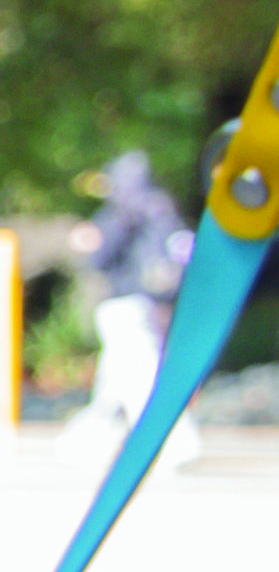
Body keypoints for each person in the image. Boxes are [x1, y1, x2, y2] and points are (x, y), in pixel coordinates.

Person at [83, 148, 198, 464]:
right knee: (121, 378)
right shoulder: (162, 208)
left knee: (139, 375)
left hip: (124, 303)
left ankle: (173, 443)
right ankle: (89, 437)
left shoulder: (120, 213)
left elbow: (97, 258)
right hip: (144, 304)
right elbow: (184, 253)